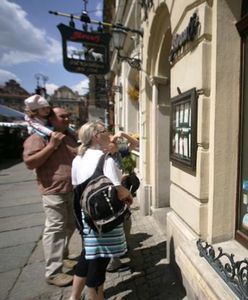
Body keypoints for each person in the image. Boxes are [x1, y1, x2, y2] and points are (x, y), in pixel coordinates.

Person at [69, 121, 133, 300]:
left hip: (87, 216)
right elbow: (119, 191)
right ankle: (95, 296)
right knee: (99, 261)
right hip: (105, 219)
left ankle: (74, 297)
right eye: (105, 131)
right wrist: (129, 195)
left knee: (88, 255)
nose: (109, 133)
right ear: (96, 136)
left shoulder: (77, 159)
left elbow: (76, 189)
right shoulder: (105, 160)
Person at [22, 107, 78, 287]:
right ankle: (53, 272)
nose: (67, 119)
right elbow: (30, 163)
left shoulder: (69, 135)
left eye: (68, 115)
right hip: (53, 190)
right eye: (62, 116)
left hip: (72, 188)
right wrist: (52, 146)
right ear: (50, 118)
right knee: (55, 229)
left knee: (70, 225)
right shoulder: (38, 137)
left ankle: (63, 256)